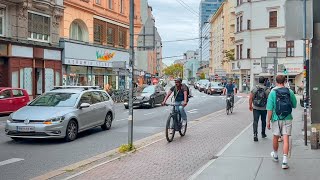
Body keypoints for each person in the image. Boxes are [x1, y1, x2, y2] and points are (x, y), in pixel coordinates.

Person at [267, 75, 297, 170]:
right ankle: (285, 161)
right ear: (285, 81)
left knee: (275, 137)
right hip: (287, 117)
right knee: (286, 139)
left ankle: (275, 156)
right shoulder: (290, 91)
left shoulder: (272, 92)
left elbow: (269, 109)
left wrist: (268, 121)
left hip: (276, 118)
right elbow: (295, 105)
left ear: (276, 81)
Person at [249, 77, 270, 142]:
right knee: (263, 121)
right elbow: (269, 100)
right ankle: (263, 133)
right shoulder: (267, 90)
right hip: (264, 108)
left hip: (256, 107)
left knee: (255, 121)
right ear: (264, 82)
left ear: (258, 81)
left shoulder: (254, 88)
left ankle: (255, 134)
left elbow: (250, 98)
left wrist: (250, 105)